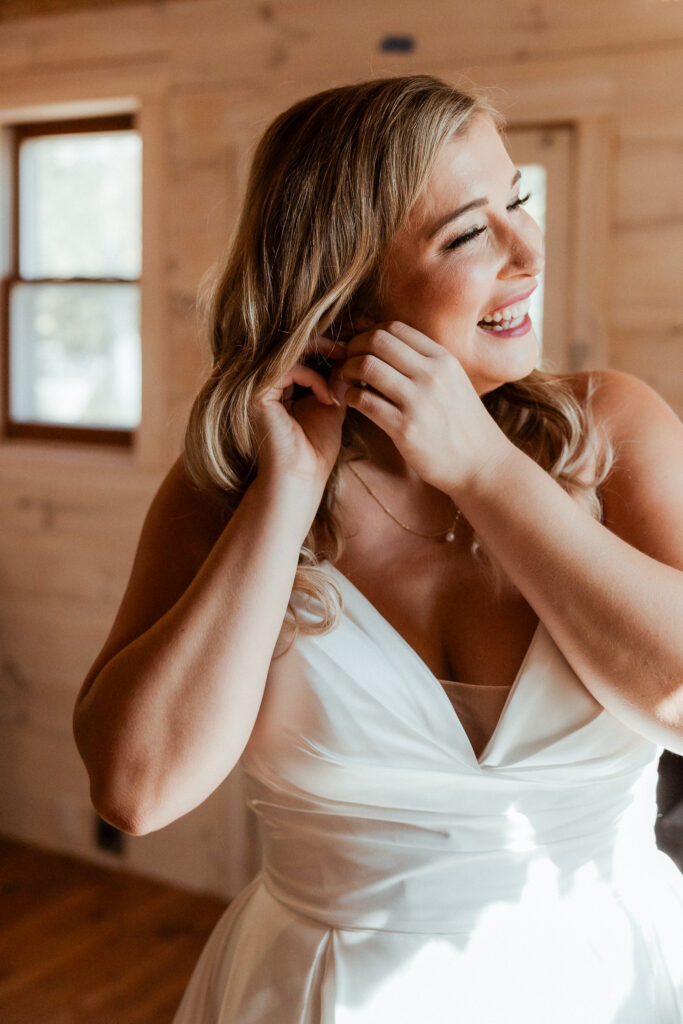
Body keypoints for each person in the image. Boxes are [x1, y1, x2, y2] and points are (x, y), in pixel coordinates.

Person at [72, 75, 683, 1022]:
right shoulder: (229, 485)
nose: (527, 251)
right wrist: (283, 495)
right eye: (468, 234)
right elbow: (137, 789)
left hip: (615, 979)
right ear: (346, 287)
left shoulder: (613, 432)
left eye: (516, 202)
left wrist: (484, 470)